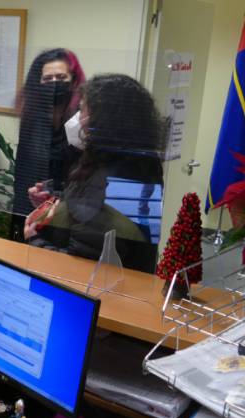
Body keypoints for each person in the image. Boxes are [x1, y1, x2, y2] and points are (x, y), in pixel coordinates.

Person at [24, 74, 165, 273]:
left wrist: (34, 240)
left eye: (82, 109)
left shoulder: (110, 175)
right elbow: (87, 211)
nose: (76, 118)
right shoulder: (137, 161)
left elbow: (83, 267)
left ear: (102, 119)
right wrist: (55, 201)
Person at [13, 49, 86, 218]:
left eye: (61, 77)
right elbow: (23, 174)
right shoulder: (32, 119)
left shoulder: (81, 121)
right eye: (47, 79)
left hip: (70, 212)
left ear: (72, 81)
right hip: (32, 208)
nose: (54, 83)